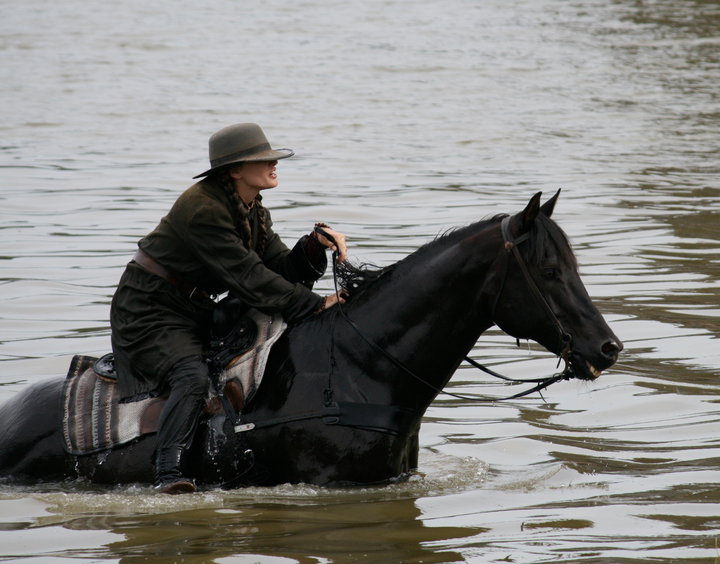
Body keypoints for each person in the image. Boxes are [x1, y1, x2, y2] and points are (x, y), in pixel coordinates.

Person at [110, 123, 347, 494]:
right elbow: (249, 277)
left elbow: (278, 268)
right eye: (263, 159)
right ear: (235, 170)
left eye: (273, 158)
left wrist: (313, 246)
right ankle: (167, 473)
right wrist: (317, 305)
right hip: (148, 310)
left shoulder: (251, 208)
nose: (273, 164)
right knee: (191, 377)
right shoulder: (202, 209)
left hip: (193, 308)